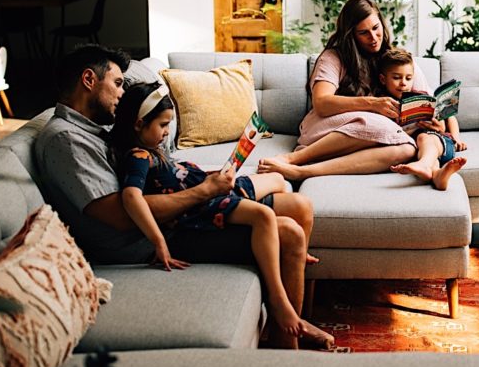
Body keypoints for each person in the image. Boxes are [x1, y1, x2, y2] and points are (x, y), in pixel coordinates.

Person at [34, 44, 331, 349]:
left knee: (294, 204)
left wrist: (203, 183)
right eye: (118, 83)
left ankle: (293, 323)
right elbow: (121, 217)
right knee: (289, 235)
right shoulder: (66, 140)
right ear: (88, 80)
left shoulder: (96, 127)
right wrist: (202, 192)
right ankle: (287, 343)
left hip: (173, 215)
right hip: (148, 241)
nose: (122, 94)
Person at [107, 81, 321, 346]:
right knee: (265, 217)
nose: (166, 133)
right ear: (138, 124)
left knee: (286, 189)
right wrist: (158, 241)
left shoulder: (152, 150)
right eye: (162, 125)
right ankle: (279, 302)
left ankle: (296, 260)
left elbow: (173, 180)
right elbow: (131, 196)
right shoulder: (138, 156)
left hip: (208, 195)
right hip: (201, 208)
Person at [257, 0, 420, 181]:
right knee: (374, 122)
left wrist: (432, 120)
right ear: (351, 35)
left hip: (374, 135)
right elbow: (321, 103)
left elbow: (427, 100)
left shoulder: (394, 59)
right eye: (363, 33)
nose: (374, 38)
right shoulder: (333, 58)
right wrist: (372, 104)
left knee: (407, 149)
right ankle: (293, 159)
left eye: (376, 28)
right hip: (326, 129)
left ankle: (303, 172)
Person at [376, 48, 467, 191]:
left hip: (441, 143)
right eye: (396, 77)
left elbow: (449, 116)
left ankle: (424, 164)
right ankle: (437, 175)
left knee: (425, 137)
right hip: (415, 152)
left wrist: (457, 139)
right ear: (383, 79)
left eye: (408, 78)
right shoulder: (381, 104)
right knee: (427, 152)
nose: (403, 83)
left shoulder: (422, 96)